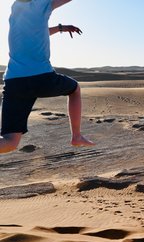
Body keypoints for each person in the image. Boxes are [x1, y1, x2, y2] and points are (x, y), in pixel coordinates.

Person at [0, 0, 94, 154]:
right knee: (75, 89)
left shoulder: (15, 8)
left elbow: (37, 31)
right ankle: (76, 136)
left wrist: (60, 28)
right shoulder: (42, 3)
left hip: (13, 81)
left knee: (9, 141)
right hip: (41, 77)